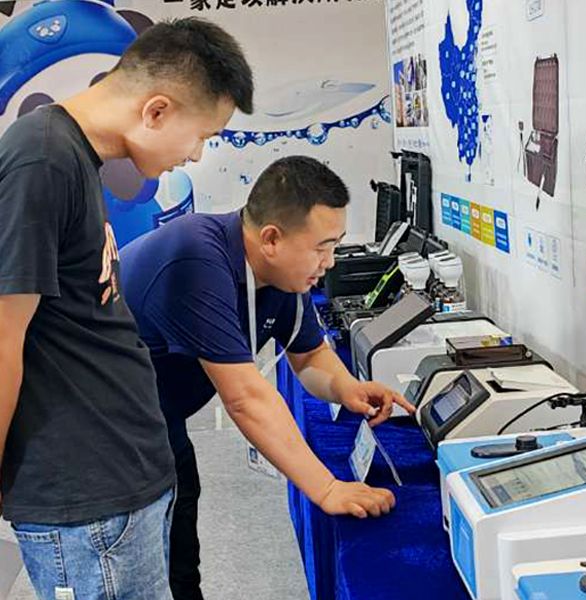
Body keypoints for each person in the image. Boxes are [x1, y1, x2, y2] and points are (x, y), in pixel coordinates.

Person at [0, 17, 254, 600]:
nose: (195, 155)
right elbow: (3, 337)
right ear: (156, 110)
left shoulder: (75, 157)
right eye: (202, 136)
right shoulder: (41, 159)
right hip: (85, 494)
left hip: (122, 478)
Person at [120, 155, 415, 600]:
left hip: (158, 418)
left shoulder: (282, 277)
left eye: (335, 246)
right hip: (102, 431)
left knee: (181, 547)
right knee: (134, 570)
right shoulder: (196, 258)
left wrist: (346, 388)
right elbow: (245, 398)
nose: (330, 262)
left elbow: (310, 354)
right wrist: (327, 488)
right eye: (322, 248)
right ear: (272, 239)